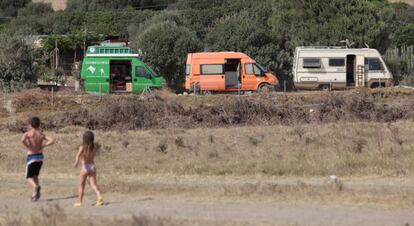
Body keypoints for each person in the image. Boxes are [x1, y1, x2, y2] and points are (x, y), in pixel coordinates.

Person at [21, 117, 54, 201]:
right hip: (40, 157)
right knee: (35, 176)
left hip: (32, 156)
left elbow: (22, 139)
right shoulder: (41, 134)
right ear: (39, 124)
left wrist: (28, 146)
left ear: (30, 124)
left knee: (28, 177)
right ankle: (35, 195)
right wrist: (44, 145)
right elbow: (52, 140)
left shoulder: (29, 133)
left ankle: (36, 187)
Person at [73, 131, 104, 207]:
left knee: (81, 185)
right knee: (93, 184)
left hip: (85, 167)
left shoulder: (82, 147)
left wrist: (76, 162)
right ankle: (99, 196)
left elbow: (78, 155)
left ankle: (80, 202)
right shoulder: (94, 147)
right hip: (92, 166)